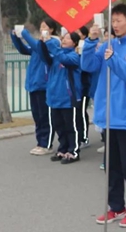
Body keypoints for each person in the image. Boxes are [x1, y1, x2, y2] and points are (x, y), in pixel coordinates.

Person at [82, 4, 126, 228]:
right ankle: (116, 207)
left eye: (120, 20)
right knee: (113, 167)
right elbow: (88, 65)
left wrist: (114, 61)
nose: (116, 24)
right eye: (113, 20)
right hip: (110, 115)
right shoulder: (108, 45)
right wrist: (91, 42)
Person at [10, 19, 57, 155]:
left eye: (46, 26)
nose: (42, 28)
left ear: (52, 29)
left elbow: (38, 47)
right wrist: (15, 37)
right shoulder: (38, 44)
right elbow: (24, 50)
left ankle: (47, 144)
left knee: (45, 116)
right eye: (41, 26)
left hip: (45, 85)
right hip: (34, 84)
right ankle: (40, 142)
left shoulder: (52, 42)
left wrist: (25, 34)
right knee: (37, 116)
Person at [41, 31, 82, 164]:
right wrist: (43, 42)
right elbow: (44, 55)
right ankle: (63, 149)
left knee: (71, 126)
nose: (64, 40)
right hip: (54, 98)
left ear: (74, 43)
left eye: (68, 38)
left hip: (68, 99)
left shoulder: (74, 56)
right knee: (59, 126)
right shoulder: (55, 56)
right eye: (63, 38)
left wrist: (52, 45)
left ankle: (73, 151)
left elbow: (63, 58)